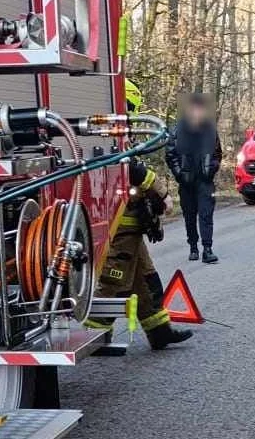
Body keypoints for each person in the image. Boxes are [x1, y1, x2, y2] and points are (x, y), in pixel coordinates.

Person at [83, 80, 194, 350]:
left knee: (146, 280)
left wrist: (150, 210)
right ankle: (95, 337)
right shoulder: (108, 131)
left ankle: (159, 331)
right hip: (119, 224)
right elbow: (132, 170)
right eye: (132, 109)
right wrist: (162, 194)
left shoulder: (115, 131)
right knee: (113, 280)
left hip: (129, 222)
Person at [166, 93, 222, 263]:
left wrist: (212, 168)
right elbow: (170, 154)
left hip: (205, 181)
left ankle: (207, 248)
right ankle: (193, 247)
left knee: (206, 215)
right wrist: (179, 173)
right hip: (186, 181)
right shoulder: (177, 130)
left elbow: (218, 153)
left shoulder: (210, 130)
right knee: (189, 216)